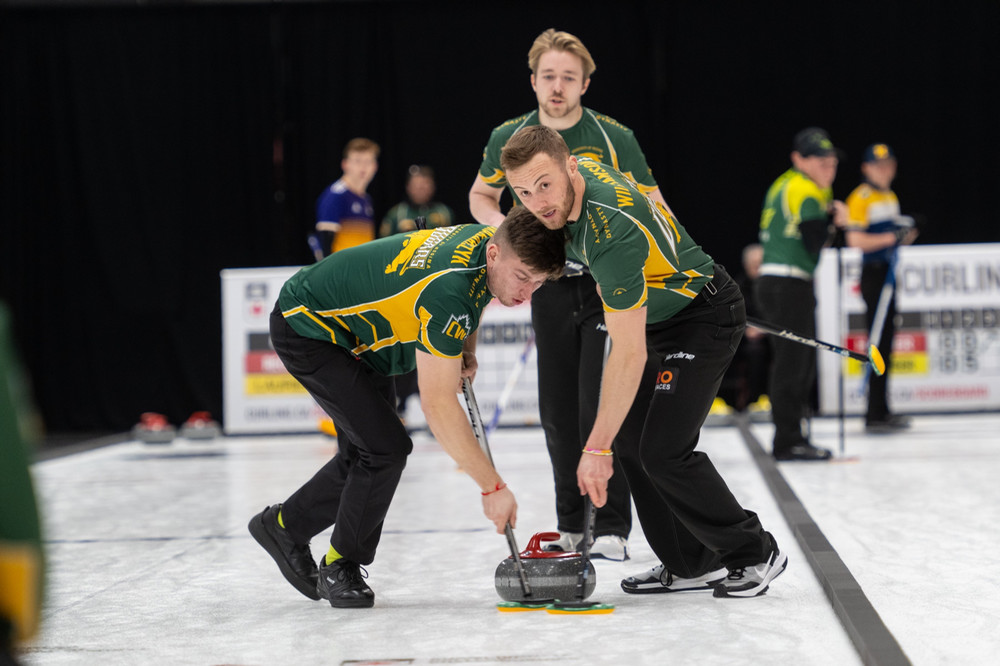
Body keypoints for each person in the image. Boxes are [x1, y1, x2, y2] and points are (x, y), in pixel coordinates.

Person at [500, 124, 788, 599]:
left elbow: (628, 352)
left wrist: (594, 448)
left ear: (571, 167)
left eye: (544, 184)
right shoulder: (574, 181)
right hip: (660, 317)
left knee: (664, 450)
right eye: (524, 191)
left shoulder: (610, 231)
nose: (537, 201)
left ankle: (754, 552)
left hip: (702, 316)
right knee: (633, 444)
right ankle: (691, 563)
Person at [248, 208, 566, 609]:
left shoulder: (491, 241)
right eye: (523, 278)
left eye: (537, 283)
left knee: (364, 453)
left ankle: (283, 527)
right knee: (385, 449)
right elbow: (436, 404)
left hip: (363, 335)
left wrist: (464, 345)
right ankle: (340, 564)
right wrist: (493, 486)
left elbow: (477, 292)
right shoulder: (449, 290)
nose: (526, 295)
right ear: (494, 254)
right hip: (310, 326)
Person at [468, 28, 668, 561]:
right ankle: (571, 525)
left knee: (596, 405)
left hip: (607, 286)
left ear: (585, 83)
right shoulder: (508, 137)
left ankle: (611, 527)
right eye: (549, 76)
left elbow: (654, 202)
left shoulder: (614, 137)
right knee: (556, 411)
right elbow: (481, 194)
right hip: (550, 288)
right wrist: (502, 232)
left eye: (569, 78)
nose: (558, 87)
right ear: (534, 81)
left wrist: (665, 263)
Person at [756, 127, 848, 461]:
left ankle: (792, 434)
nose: (828, 167)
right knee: (795, 363)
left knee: (792, 360)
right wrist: (837, 222)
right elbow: (815, 243)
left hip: (778, 282)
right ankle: (788, 439)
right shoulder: (807, 191)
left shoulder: (785, 184)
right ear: (799, 159)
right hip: (788, 283)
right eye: (819, 160)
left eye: (831, 161)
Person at [845, 143, 918, 433]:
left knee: (887, 342)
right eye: (878, 165)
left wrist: (906, 233)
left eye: (888, 164)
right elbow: (855, 241)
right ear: (866, 168)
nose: (884, 169)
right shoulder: (861, 197)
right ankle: (873, 412)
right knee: (877, 340)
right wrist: (891, 237)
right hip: (873, 275)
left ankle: (882, 409)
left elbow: (896, 238)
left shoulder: (889, 196)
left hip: (888, 272)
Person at [720, 243, 771, 413]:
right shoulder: (736, 287)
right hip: (741, 338)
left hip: (770, 336)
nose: (757, 267)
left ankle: (764, 398)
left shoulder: (773, 287)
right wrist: (746, 331)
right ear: (746, 264)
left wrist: (764, 330)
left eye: (760, 263)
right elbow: (730, 315)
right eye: (753, 263)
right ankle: (730, 400)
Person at [314, 137, 380, 257]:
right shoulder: (336, 195)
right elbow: (325, 244)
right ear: (345, 164)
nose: (363, 167)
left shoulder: (366, 200)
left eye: (368, 161)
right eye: (357, 161)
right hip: (342, 272)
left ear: (375, 166)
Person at [380, 165, 455, 238]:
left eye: (425, 185)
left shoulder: (444, 212)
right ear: (408, 187)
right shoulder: (396, 214)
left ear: (433, 186)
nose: (420, 190)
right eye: (416, 185)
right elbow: (384, 243)